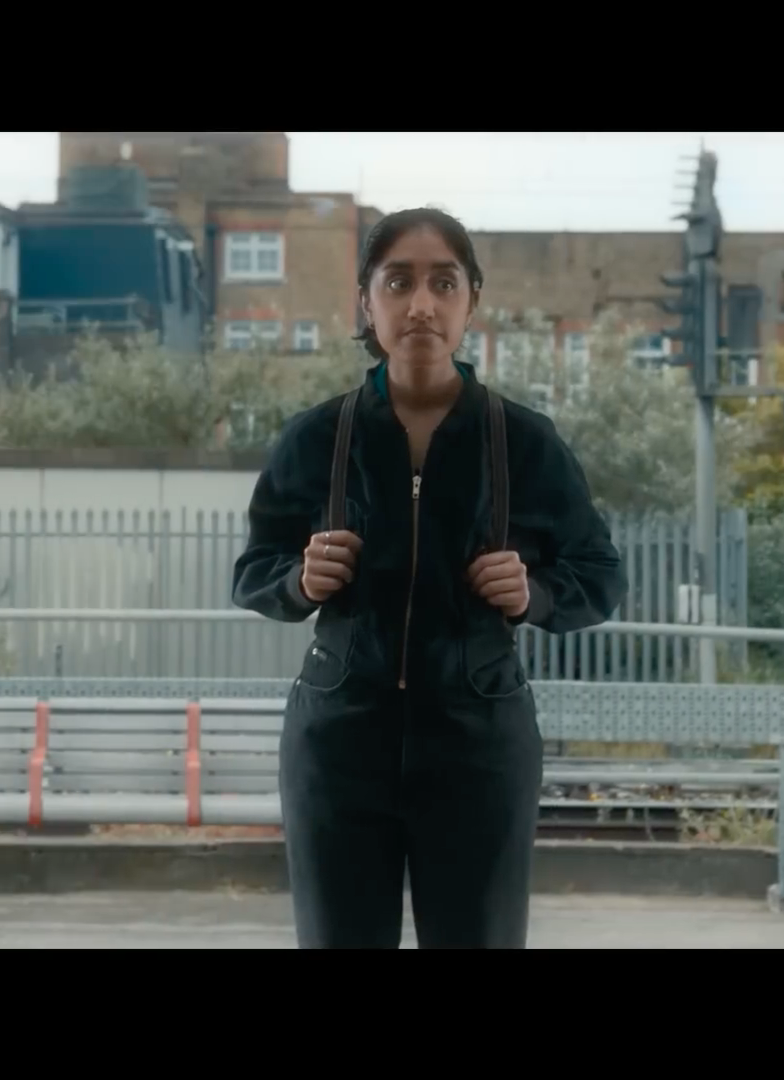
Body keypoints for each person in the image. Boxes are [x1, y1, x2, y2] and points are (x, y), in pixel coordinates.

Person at [231, 207, 627, 948]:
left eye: (443, 282)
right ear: (366, 299)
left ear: (470, 300)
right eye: (398, 281)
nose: (421, 304)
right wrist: (300, 581)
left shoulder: (525, 441)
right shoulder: (317, 438)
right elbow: (254, 571)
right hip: (339, 745)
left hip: (479, 747)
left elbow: (600, 575)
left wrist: (535, 593)